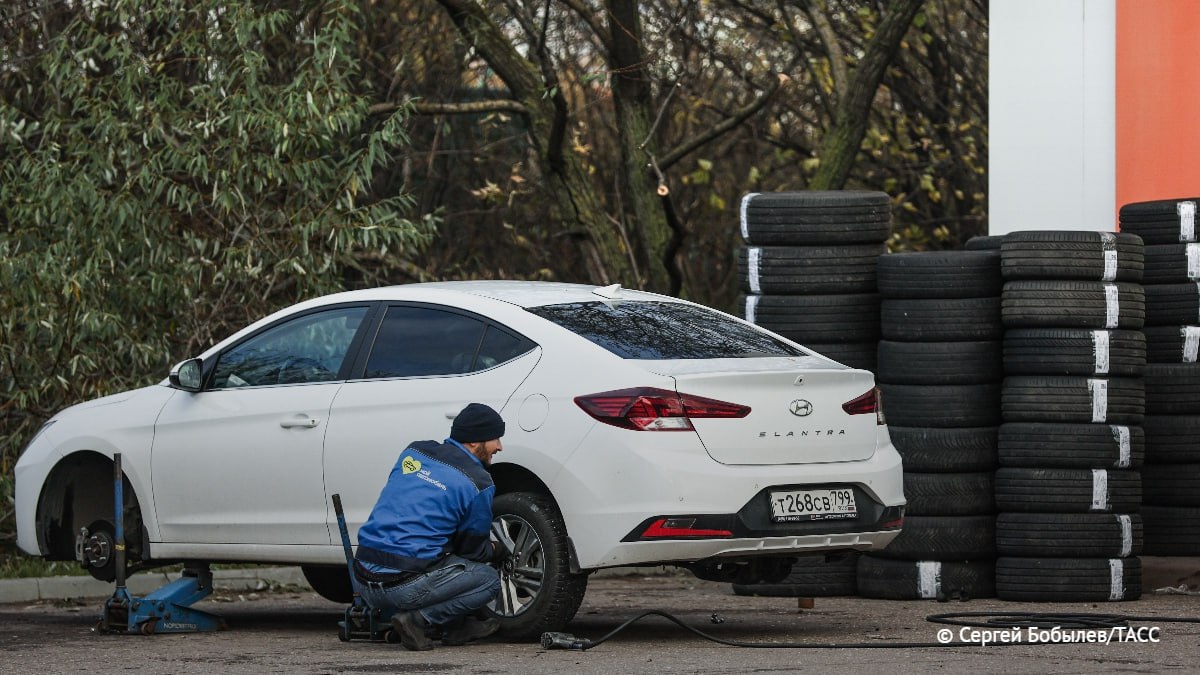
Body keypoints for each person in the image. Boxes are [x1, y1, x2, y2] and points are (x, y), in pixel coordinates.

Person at [352, 402, 507, 650]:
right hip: (402, 587)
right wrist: (498, 549)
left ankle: (456, 628)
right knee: (486, 579)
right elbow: (473, 551)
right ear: (474, 442)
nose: (499, 447)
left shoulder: (414, 452)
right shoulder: (478, 482)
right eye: (495, 439)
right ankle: (417, 620)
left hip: (360, 579)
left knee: (439, 553)